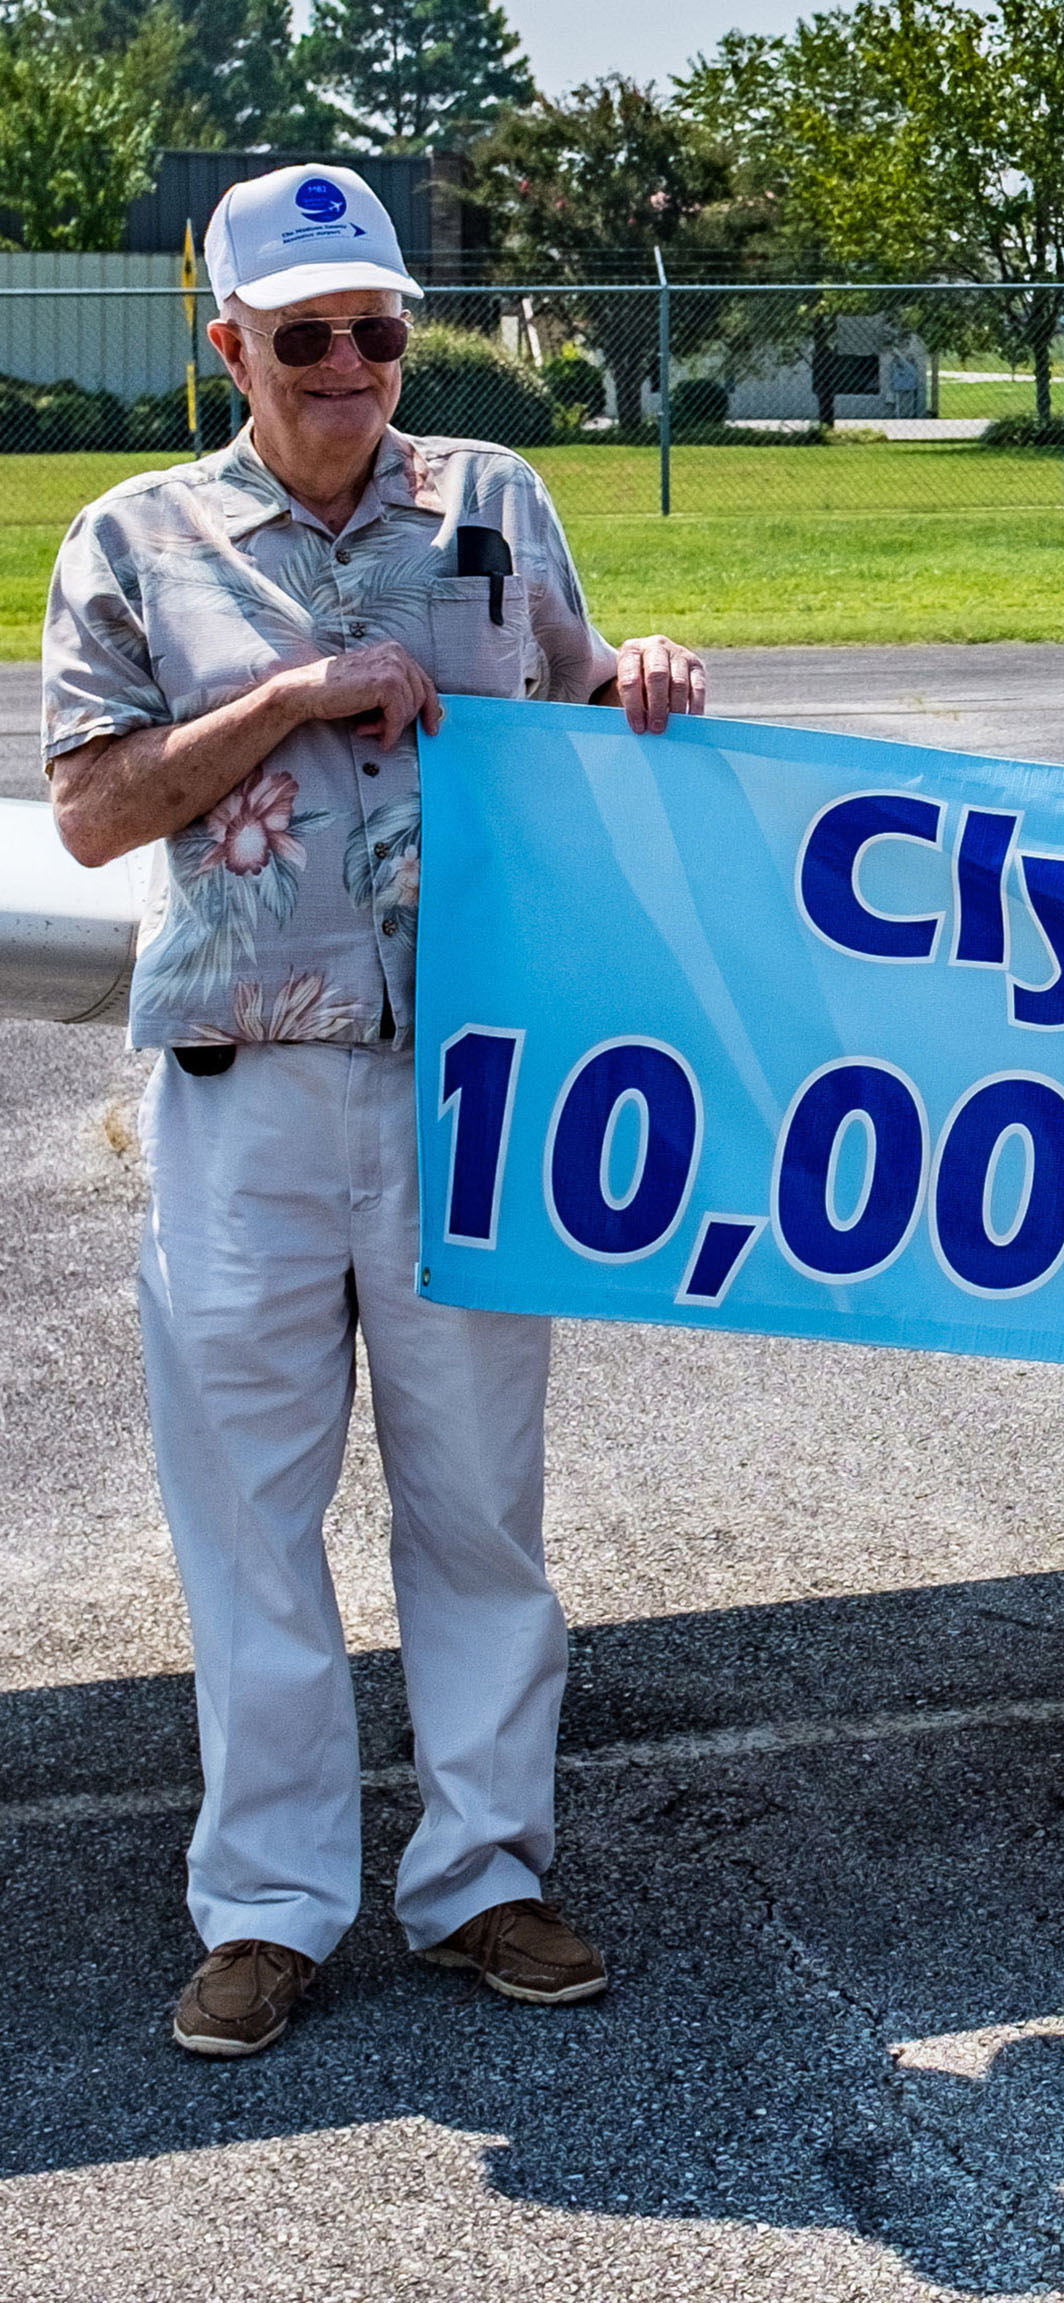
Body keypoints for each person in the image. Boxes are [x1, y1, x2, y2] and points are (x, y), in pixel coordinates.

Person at [38, 165, 708, 2059]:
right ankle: (267, 1905)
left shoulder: (489, 499)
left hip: (459, 1089)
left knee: (480, 1505)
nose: (351, 365)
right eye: (308, 332)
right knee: (249, 1520)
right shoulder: (134, 535)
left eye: (380, 330)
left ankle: (487, 1870)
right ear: (226, 341)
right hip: (243, 1093)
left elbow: (573, 692)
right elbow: (91, 810)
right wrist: (290, 700)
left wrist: (640, 670)